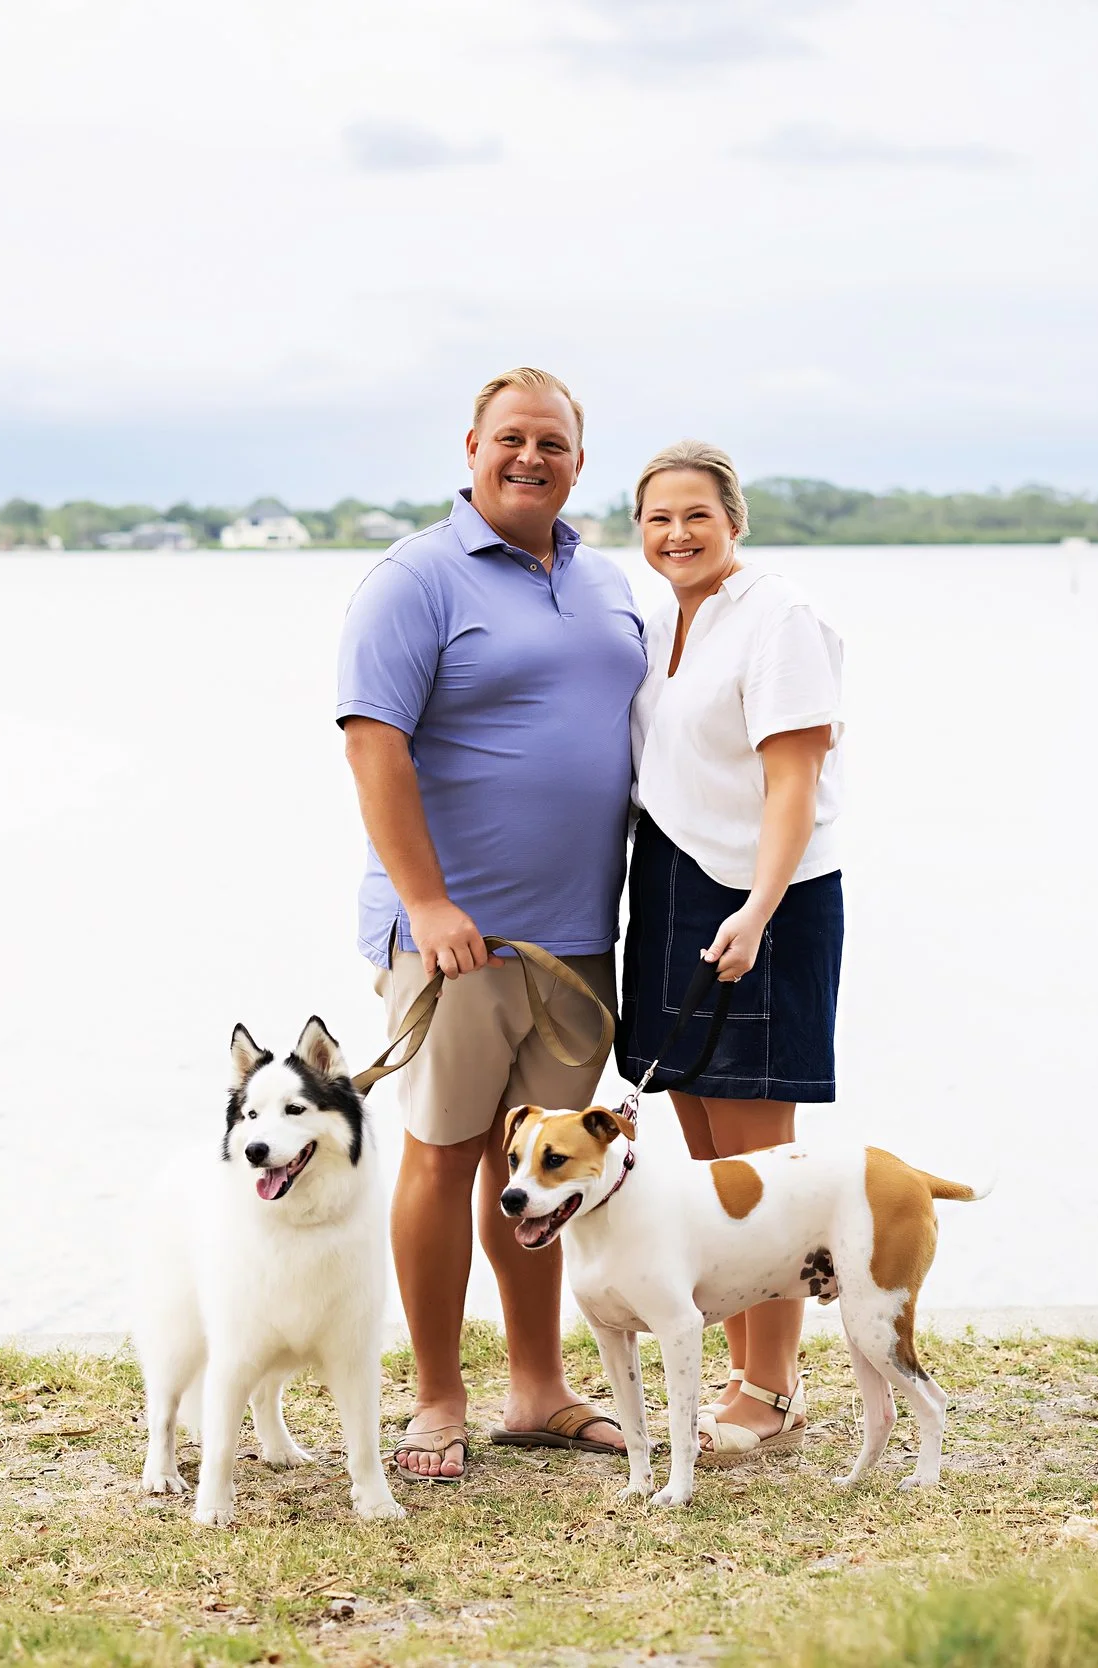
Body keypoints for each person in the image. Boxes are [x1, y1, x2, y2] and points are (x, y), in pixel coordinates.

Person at [336, 368, 645, 1481]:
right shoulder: (414, 579)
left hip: (577, 943)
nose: (530, 457)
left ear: (578, 457)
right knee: (444, 1154)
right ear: (470, 448)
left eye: (552, 442)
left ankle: (537, 1390)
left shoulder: (607, 580)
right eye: (510, 439)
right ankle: (433, 1400)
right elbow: (373, 742)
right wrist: (426, 906)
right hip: (455, 941)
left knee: (544, 1169)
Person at [617, 440, 846, 1464]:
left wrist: (755, 909)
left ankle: (771, 1387)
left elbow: (793, 780)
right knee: (710, 1163)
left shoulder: (778, 616)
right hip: (670, 883)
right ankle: (746, 1371)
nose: (675, 533)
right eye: (657, 518)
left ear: (734, 520)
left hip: (766, 892)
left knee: (767, 1169)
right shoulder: (665, 617)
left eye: (695, 515)